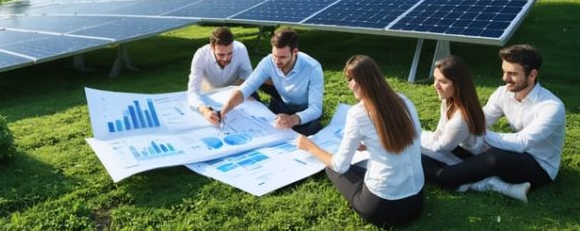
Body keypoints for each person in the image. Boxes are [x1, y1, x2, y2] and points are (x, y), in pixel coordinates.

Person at [421, 44, 565, 199]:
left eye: (512, 74)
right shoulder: (503, 93)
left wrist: (484, 137)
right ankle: (497, 185)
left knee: (494, 157)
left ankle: (446, 176)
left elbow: (522, 142)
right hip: (509, 153)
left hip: (539, 166)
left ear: (532, 75)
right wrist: (460, 128)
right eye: (504, 71)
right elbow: (480, 120)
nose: (505, 78)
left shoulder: (551, 107)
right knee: (449, 146)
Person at [297, 55, 424, 228]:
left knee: (332, 169)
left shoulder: (358, 113)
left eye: (350, 79)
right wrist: (370, 145)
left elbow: (340, 165)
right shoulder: (403, 101)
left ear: (362, 80)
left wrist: (310, 146)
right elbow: (407, 138)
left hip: (383, 207)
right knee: (356, 168)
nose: (349, 85)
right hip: (416, 201)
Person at [421, 55, 530, 202]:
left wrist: (411, 142)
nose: (436, 85)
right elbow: (439, 133)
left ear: (458, 85)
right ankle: (499, 187)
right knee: (419, 150)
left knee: (419, 158)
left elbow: (439, 149)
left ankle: (495, 186)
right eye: (435, 79)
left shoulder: (461, 119)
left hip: (472, 159)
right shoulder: (448, 100)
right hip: (459, 151)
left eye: (443, 82)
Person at [219, 27, 323, 135]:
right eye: (275, 55)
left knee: (308, 132)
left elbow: (316, 108)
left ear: (295, 52)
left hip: (303, 109)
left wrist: (293, 119)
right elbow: (246, 87)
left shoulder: (312, 68)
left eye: (283, 57)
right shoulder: (269, 61)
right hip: (283, 103)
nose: (277, 61)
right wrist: (223, 111)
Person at [187, 27, 253, 126]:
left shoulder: (240, 49)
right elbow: (193, 91)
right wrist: (205, 111)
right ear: (212, 47)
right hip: (209, 95)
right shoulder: (200, 55)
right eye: (221, 54)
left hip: (234, 93)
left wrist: (240, 93)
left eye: (230, 53)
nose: (226, 58)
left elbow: (249, 79)